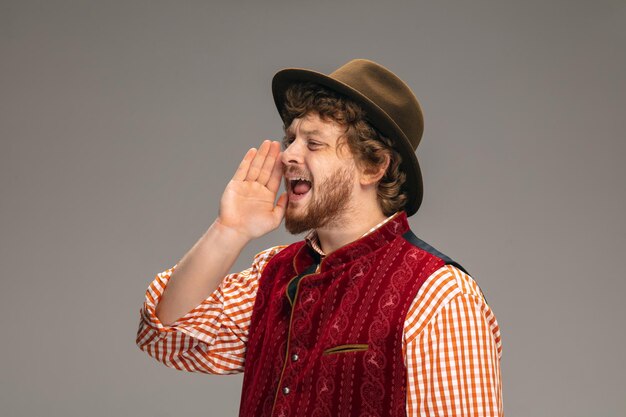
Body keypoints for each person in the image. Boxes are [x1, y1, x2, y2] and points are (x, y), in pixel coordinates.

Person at [136, 59, 503, 416]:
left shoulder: (439, 297)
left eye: (313, 144)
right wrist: (228, 232)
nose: (288, 155)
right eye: (291, 139)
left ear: (374, 166)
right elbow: (168, 335)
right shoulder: (274, 273)